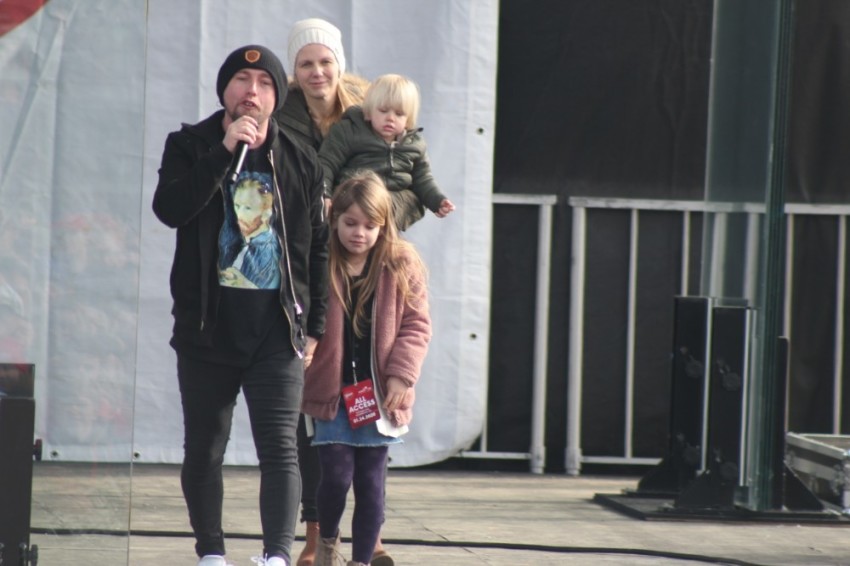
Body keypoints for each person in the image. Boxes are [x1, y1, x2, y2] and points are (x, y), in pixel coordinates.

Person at [153, 44, 328, 566]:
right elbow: (171, 209)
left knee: (280, 448)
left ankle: (275, 556)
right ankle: (211, 553)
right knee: (205, 449)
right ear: (224, 88)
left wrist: (312, 326)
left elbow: (316, 248)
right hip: (207, 330)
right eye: (242, 80)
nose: (252, 91)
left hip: (276, 334)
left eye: (265, 83)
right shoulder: (189, 145)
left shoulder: (299, 157)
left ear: (276, 97)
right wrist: (224, 151)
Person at [274, 18, 392, 566]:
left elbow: (407, 180)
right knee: (314, 401)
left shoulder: (372, 109)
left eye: (326, 61)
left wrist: (385, 229)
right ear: (294, 73)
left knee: (367, 380)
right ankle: (318, 533)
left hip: (367, 262)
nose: (317, 72)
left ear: (339, 64)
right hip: (306, 265)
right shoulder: (284, 119)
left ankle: (371, 533)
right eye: (305, 64)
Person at [301, 171, 431, 566]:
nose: (359, 233)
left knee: (372, 484)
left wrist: (401, 374)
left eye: (370, 225)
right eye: (350, 223)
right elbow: (302, 314)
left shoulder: (400, 262)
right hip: (332, 394)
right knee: (336, 477)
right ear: (334, 218)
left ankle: (360, 560)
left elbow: (417, 323)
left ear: (383, 225)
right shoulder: (320, 261)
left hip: (378, 396)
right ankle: (326, 544)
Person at [317, 74, 455, 232]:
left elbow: (423, 178)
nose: (390, 118)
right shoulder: (349, 131)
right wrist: (324, 195)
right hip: (354, 197)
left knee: (393, 215)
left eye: (399, 114)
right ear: (368, 112)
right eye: (383, 111)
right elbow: (326, 163)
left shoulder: (414, 144)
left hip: (390, 208)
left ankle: (381, 241)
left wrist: (437, 201)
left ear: (408, 119)